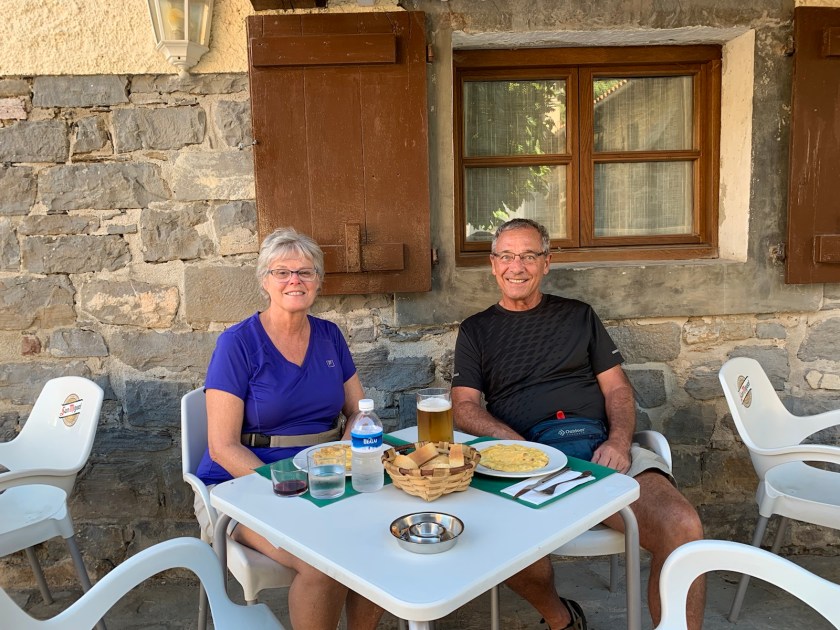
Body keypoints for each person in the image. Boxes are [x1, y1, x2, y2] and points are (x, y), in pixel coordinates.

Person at [451, 218, 705, 630]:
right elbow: (463, 407)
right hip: (525, 461)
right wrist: (520, 448)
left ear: (546, 262)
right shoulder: (476, 330)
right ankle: (562, 619)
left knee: (683, 527)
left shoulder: (579, 316)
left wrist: (619, 441)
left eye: (529, 256)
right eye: (507, 256)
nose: (517, 266)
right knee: (503, 546)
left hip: (600, 449)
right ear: (493, 264)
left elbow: (617, 389)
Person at [195, 227, 384, 630]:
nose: (294, 280)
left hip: (324, 477)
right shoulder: (237, 344)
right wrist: (286, 486)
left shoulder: (330, 336)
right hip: (243, 485)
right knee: (322, 565)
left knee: (378, 541)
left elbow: (358, 411)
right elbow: (222, 447)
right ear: (264, 280)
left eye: (305, 272)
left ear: (318, 281)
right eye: (282, 272)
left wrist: (344, 456)